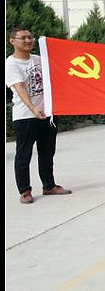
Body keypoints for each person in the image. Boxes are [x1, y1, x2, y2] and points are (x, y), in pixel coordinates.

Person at [6, 27, 72, 204]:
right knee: (24, 155)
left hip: (48, 114)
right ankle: (25, 191)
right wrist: (33, 108)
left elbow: (57, 77)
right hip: (25, 116)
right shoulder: (11, 64)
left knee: (47, 153)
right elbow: (20, 88)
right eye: (23, 38)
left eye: (30, 37)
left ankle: (49, 186)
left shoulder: (39, 60)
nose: (28, 41)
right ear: (12, 41)